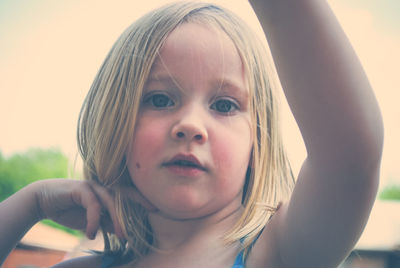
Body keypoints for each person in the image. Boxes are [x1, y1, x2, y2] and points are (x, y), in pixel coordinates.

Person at [0, 1, 384, 267]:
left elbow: (349, 156)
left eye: (224, 105)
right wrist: (31, 204)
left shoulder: (281, 253)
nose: (190, 125)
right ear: (115, 118)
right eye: (161, 98)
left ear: (258, 141)